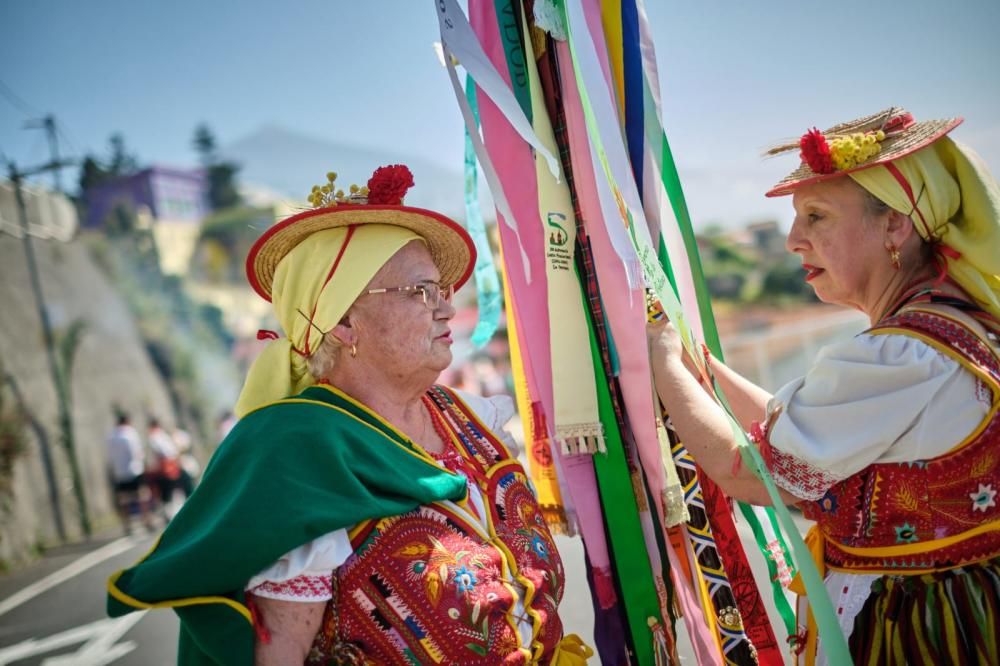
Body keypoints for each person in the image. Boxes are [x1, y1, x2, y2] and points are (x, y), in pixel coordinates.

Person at [108, 164, 591, 665]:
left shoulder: (467, 417)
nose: (446, 309)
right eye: (421, 292)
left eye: (443, 290)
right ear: (341, 323)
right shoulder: (299, 455)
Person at [648, 108, 1000, 664]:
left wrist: (658, 358)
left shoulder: (898, 357)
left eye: (817, 216)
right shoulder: (947, 330)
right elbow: (802, 437)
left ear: (895, 225)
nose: (794, 239)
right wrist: (705, 368)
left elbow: (751, 473)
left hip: (912, 630)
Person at [106, 412, 153, 533]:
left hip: (119, 472)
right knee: (142, 495)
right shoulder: (130, 433)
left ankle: (127, 526)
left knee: (124, 499)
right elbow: (137, 452)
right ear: (127, 421)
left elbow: (110, 457)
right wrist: (144, 465)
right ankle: (147, 521)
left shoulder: (111, 437)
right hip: (134, 470)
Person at [146, 417, 182, 518]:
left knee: (166, 493)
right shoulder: (163, 435)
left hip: (164, 467)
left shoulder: (154, 436)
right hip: (170, 465)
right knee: (172, 491)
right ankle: (172, 513)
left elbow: (162, 452)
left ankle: (170, 515)